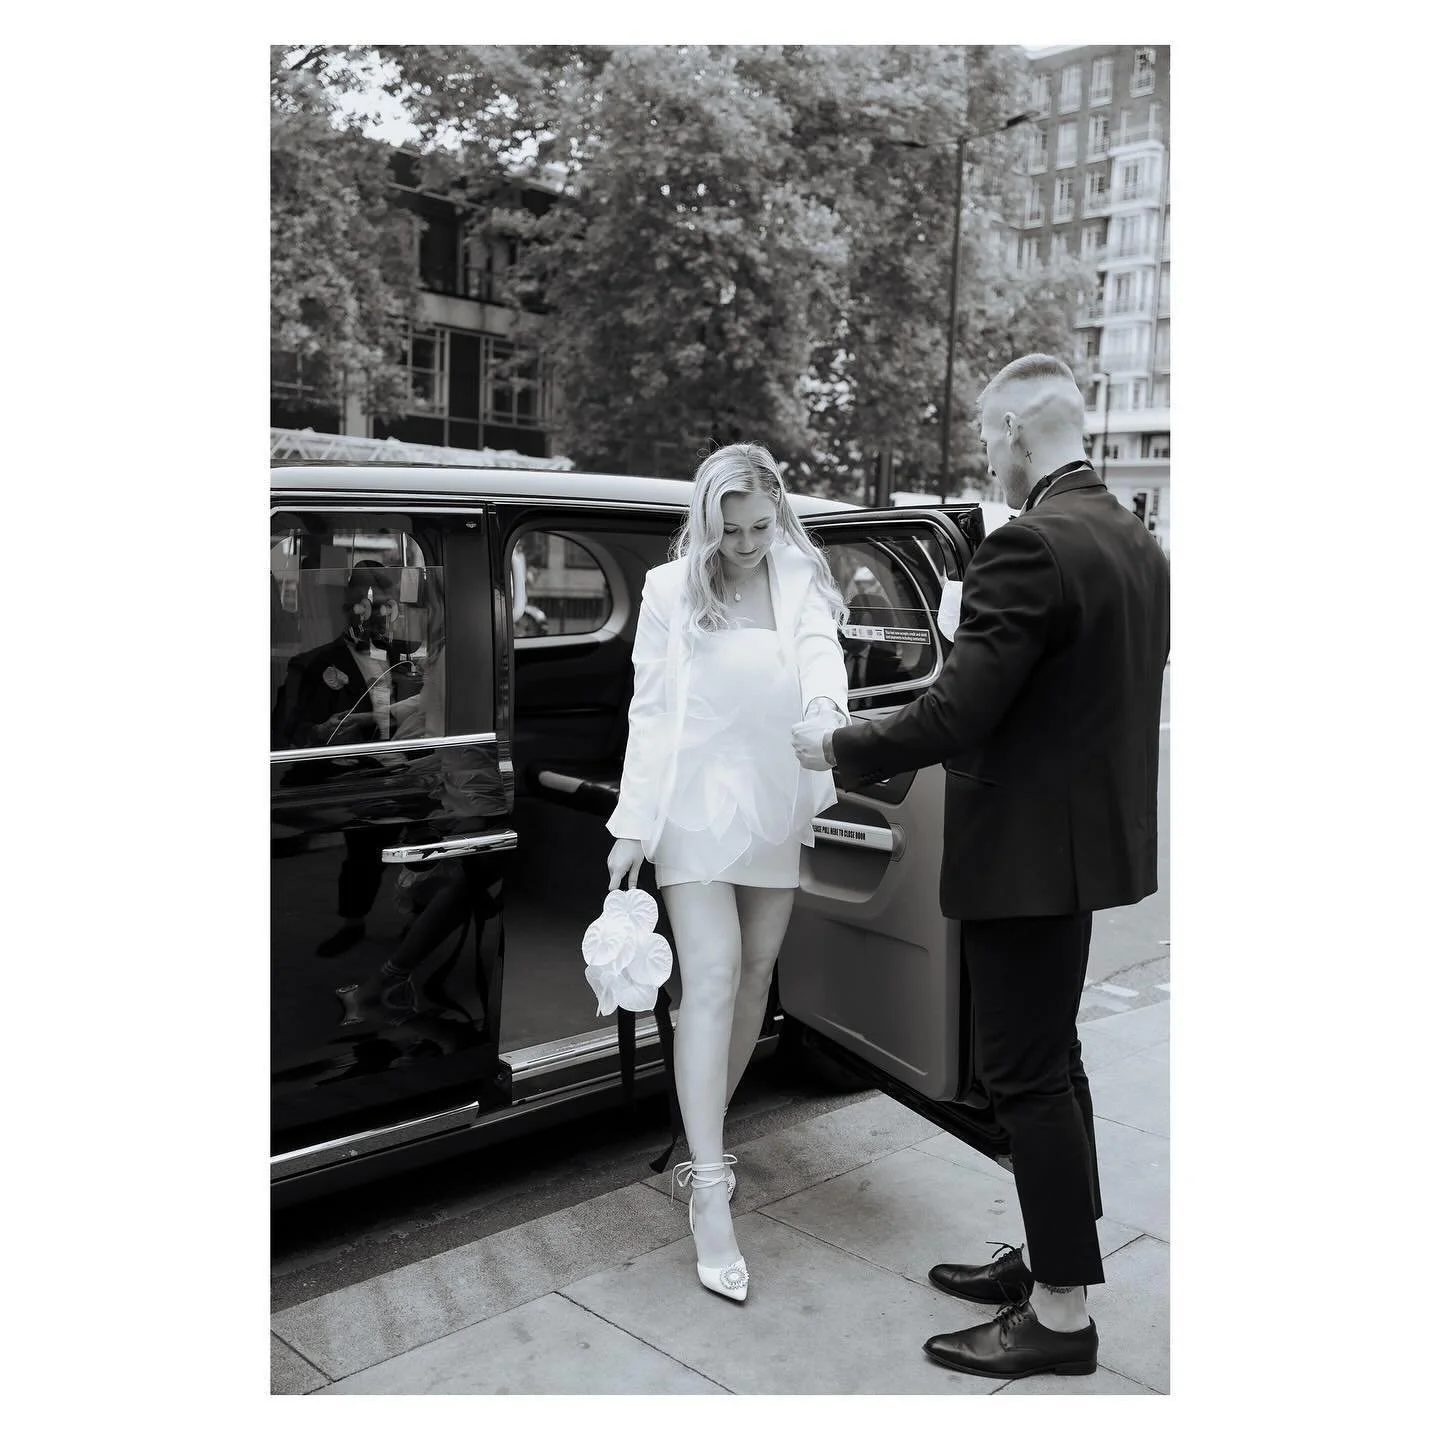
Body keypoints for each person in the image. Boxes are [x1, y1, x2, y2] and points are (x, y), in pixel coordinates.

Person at [792, 354, 1170, 1379]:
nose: (986, 461)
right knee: (1055, 1063)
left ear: (1013, 431)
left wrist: (836, 744)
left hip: (1025, 859)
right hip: (1085, 853)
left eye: (985, 440)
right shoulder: (1136, 540)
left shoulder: (1028, 546)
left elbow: (958, 712)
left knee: (1025, 1078)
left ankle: (1060, 1317)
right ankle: (1055, 1260)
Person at [606, 442, 850, 1304]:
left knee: (754, 977)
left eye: (759, 527)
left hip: (777, 795)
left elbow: (821, 654)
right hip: (693, 799)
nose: (746, 544)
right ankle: (710, 1186)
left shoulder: (798, 574)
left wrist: (827, 709)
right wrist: (632, 825)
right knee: (710, 974)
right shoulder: (669, 590)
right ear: (707, 522)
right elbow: (649, 711)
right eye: (731, 529)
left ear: (777, 513)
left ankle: (701, 1135)